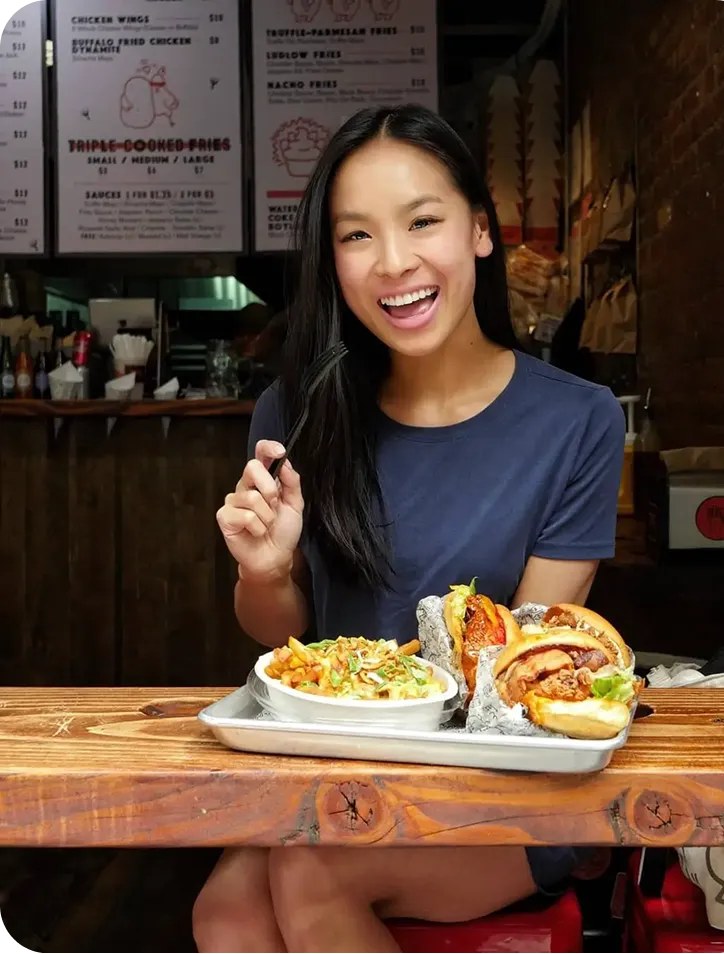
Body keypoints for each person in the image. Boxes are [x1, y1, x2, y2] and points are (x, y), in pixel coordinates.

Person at [196, 104, 625, 954]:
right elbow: (283, 638)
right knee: (226, 913)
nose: (393, 264)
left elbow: (522, 677)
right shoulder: (297, 412)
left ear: (477, 230)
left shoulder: (576, 421)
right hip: (329, 759)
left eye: (421, 221)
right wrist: (264, 573)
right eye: (356, 237)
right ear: (333, 261)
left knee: (313, 874)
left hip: (503, 776)